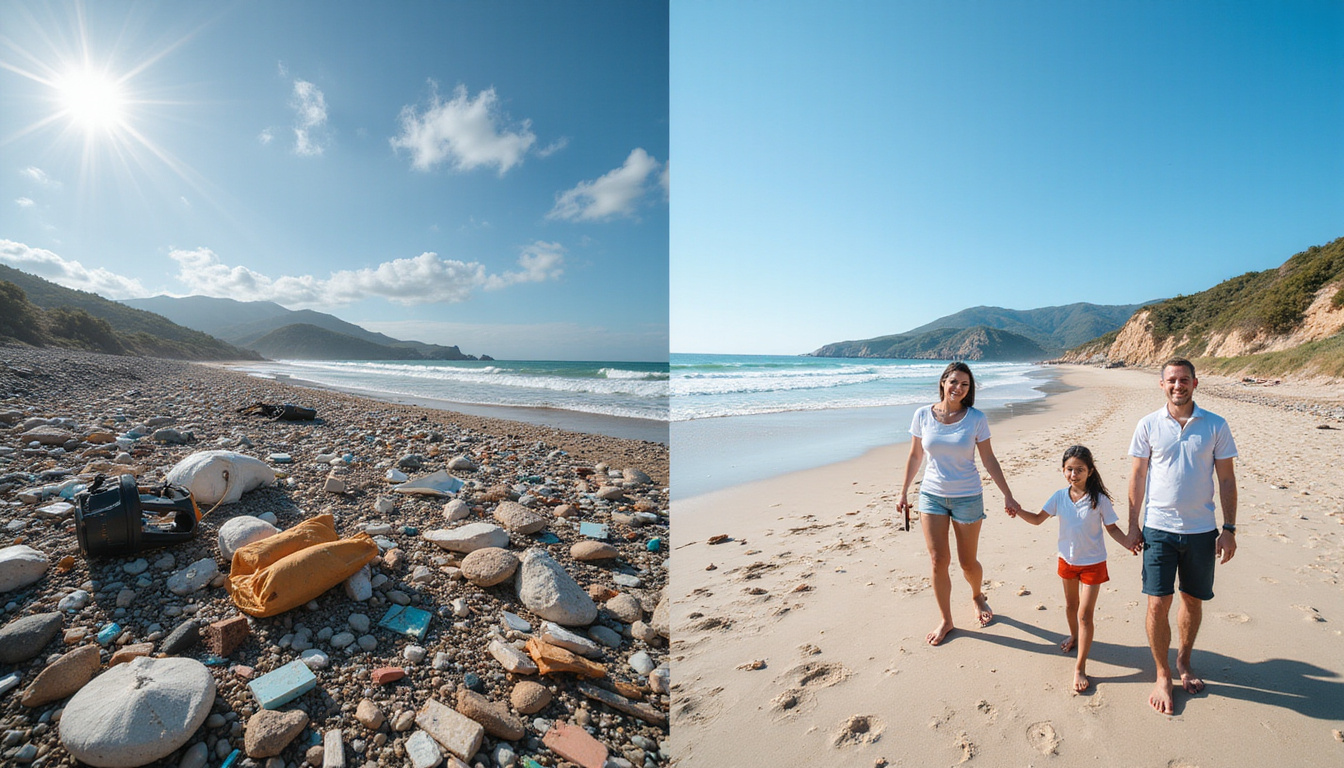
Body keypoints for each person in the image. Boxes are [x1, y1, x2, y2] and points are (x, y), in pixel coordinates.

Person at [1126, 358, 1238, 714]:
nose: (1178, 385)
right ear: (1162, 384)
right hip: (1158, 529)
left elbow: (1226, 479)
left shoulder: (1215, 425)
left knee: (1192, 601)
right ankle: (1162, 673)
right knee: (1157, 603)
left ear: (1195, 383)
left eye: (1184, 379)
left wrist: (1229, 529)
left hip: (1202, 531)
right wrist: (1133, 525)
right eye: (1172, 380)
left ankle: (1184, 662)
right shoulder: (1147, 424)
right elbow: (1137, 476)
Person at [898, 361, 1023, 646]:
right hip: (931, 496)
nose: (958, 388)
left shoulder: (976, 418)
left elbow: (989, 459)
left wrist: (1007, 494)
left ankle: (977, 595)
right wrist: (903, 492)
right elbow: (915, 456)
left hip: (968, 496)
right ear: (943, 382)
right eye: (953, 381)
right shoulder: (922, 415)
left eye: (965, 384)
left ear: (970, 389)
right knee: (938, 560)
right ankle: (946, 619)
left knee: (967, 562)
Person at [1008, 445, 1139, 691]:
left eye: (1079, 469)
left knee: (1085, 615)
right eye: (1069, 469)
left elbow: (1112, 528)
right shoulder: (1059, 497)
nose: (1074, 474)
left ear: (1090, 471)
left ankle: (1080, 667)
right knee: (1070, 606)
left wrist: (1128, 543)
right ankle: (1075, 636)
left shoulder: (1099, 500)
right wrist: (1018, 510)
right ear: (1063, 470)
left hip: (1093, 564)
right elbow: (1037, 519)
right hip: (1067, 562)